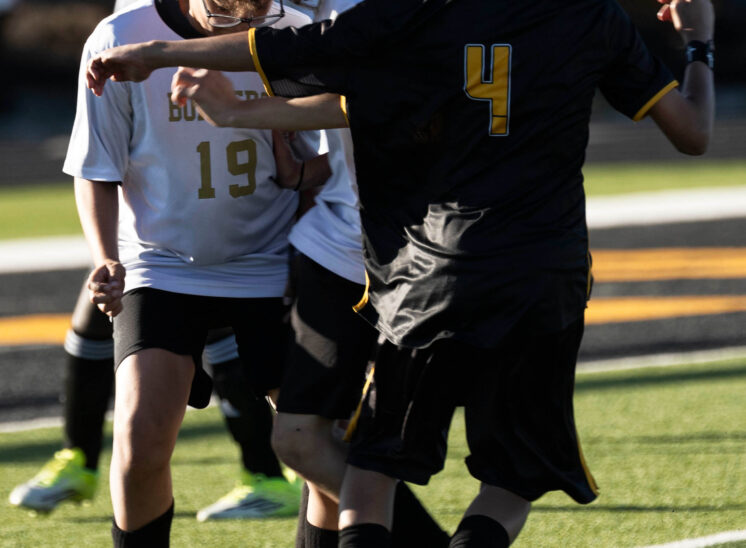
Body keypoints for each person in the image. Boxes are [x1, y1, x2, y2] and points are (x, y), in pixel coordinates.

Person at [84, 0, 716, 545]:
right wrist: (698, 42)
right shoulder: (589, 15)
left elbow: (313, 61)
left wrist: (169, 60)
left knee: (371, 463)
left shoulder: (420, 10)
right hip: (524, 268)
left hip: (426, 265)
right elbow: (692, 132)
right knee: (505, 476)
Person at [63, 0, 317, 544]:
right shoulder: (120, 37)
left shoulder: (296, 32)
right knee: (140, 441)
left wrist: (306, 194)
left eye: (256, 13)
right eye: (225, 13)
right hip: (161, 263)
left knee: (315, 444)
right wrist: (105, 256)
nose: (244, 27)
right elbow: (96, 166)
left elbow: (331, 154)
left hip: (274, 261)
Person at [8, 283, 292, 522]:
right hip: (149, 242)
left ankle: (266, 475)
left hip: (200, 246)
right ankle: (78, 460)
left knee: (217, 317)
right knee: (94, 314)